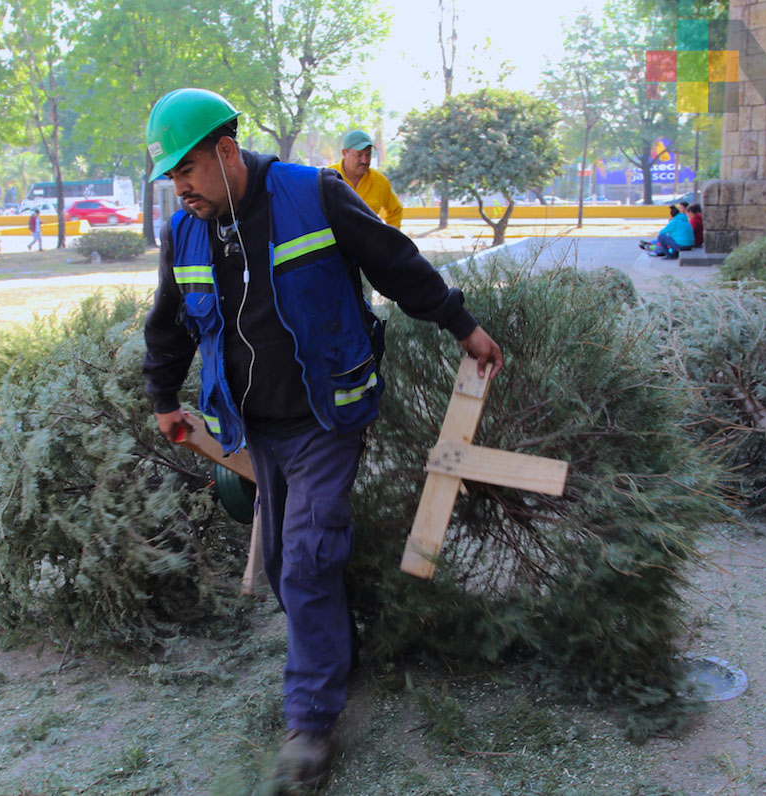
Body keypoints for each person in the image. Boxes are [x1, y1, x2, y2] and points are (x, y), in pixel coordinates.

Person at [142, 88, 503, 791]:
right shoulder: (185, 233)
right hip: (253, 430)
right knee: (283, 565)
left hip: (326, 418)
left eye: (186, 169)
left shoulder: (315, 194)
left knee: (306, 558)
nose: (179, 187)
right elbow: (170, 322)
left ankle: (309, 726)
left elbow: (395, 263)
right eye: (170, 176)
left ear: (225, 151)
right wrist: (163, 396)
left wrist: (463, 325)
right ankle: (342, 649)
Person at [328, 130, 403, 229]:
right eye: (359, 155)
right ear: (344, 153)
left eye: (368, 154)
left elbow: (396, 211)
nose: (364, 160)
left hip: (368, 242)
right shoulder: (327, 178)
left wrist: (390, 240)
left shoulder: (380, 181)